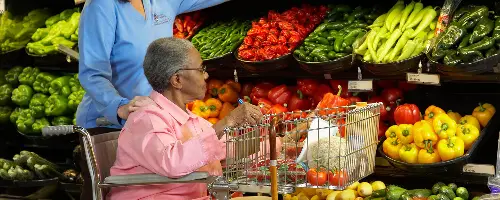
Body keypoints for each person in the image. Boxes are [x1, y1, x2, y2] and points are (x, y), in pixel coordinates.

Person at [108, 37, 281, 200]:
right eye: (201, 69)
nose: (206, 76)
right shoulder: (146, 118)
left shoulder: (192, 120)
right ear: (177, 79)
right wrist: (227, 121)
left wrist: (283, 142)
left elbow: (229, 149)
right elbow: (173, 162)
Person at [77, 0, 230, 129]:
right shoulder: (101, 6)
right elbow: (93, 74)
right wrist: (120, 107)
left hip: (152, 121)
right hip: (107, 126)